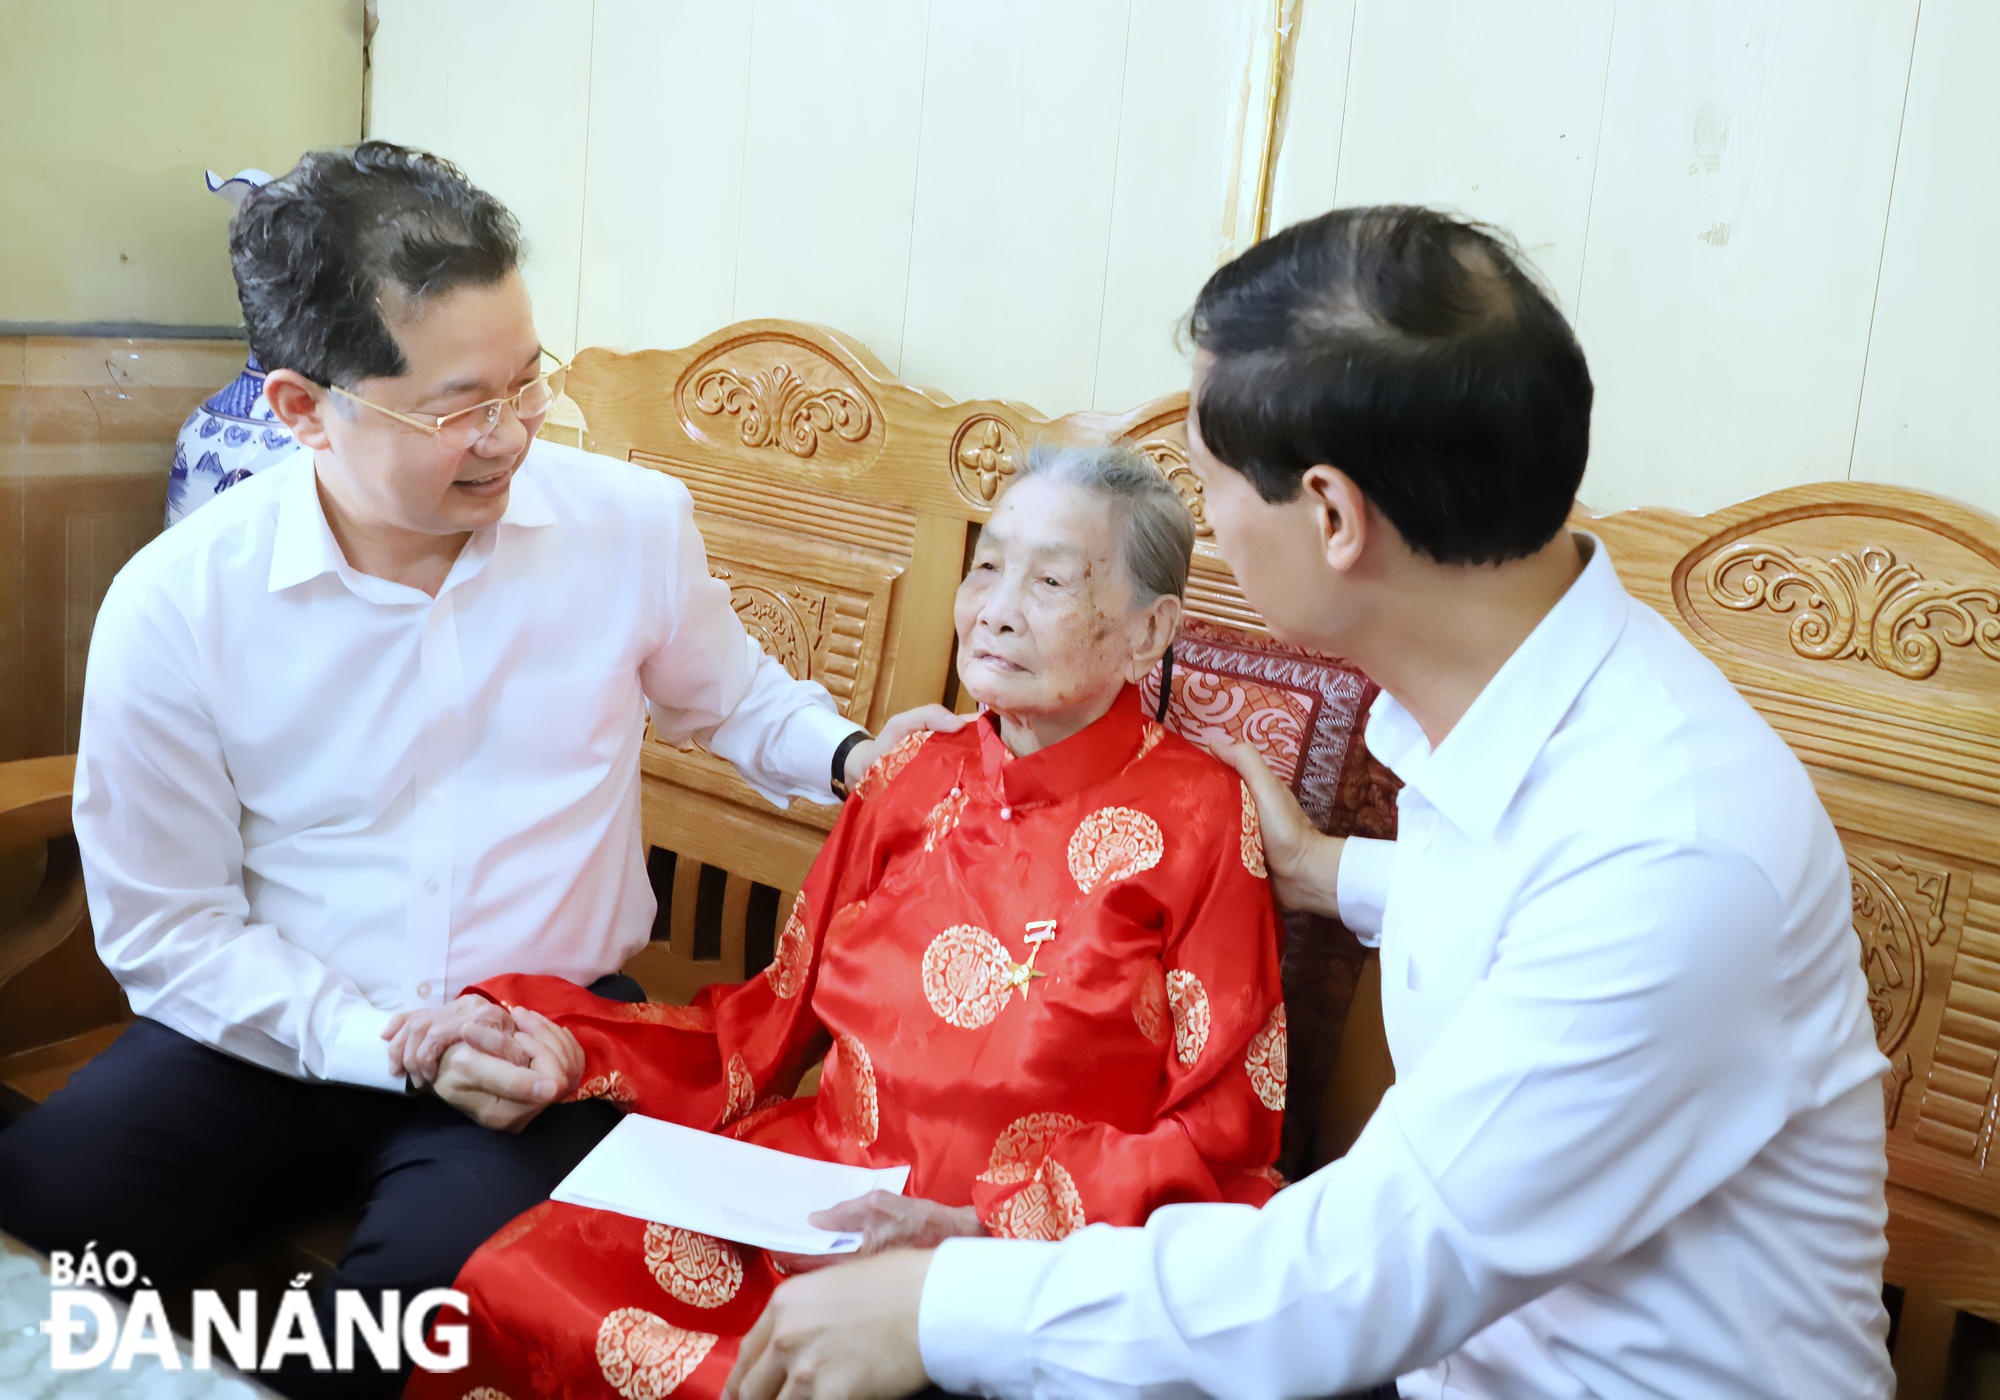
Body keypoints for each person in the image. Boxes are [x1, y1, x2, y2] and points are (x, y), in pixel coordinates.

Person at [720, 207, 1894, 1400]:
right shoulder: (1537, 702)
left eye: (1211, 481)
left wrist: (941, 1307)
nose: (1209, 526)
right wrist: (1333, 874)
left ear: (1329, 515)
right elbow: (1522, 907)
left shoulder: (1671, 849)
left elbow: (1362, 1270)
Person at [0, 142, 942, 1400]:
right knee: (45, 1220)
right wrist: (383, 1039)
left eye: (526, 382)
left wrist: (852, 754)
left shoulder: (624, 527)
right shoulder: (180, 604)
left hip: (541, 1043)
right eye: (457, 407)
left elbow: (737, 698)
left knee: (398, 1331)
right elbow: (170, 929)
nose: (508, 436)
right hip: (275, 1029)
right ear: (302, 408)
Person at [401, 443, 1289, 1400]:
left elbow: (1225, 1129)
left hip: (1017, 1256)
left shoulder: (1202, 818)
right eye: (987, 565)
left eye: (1053, 581)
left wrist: (988, 1227)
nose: (995, 607)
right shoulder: (911, 778)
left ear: (1150, 632)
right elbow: (763, 1025)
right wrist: (568, 1044)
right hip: (812, 1200)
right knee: (513, 1281)